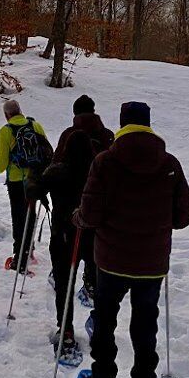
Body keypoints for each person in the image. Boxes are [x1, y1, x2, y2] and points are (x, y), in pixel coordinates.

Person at [74, 101, 189, 378]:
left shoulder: (105, 162)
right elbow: (184, 216)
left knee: (105, 321)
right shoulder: (169, 164)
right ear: (148, 124)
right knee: (145, 328)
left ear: (122, 124)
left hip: (111, 261)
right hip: (151, 264)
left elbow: (91, 214)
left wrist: (79, 217)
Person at [41, 94, 114, 361]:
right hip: (98, 227)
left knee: (64, 280)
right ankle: (99, 321)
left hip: (65, 227)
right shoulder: (107, 137)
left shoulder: (68, 137)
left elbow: (50, 171)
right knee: (101, 279)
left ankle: (67, 330)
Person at [0, 99, 50, 272]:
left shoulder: (6, 131)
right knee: (30, 215)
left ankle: (19, 257)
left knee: (18, 217)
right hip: (35, 178)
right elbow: (46, 150)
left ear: (6, 115)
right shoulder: (35, 125)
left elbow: (1, 164)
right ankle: (29, 250)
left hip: (16, 181)